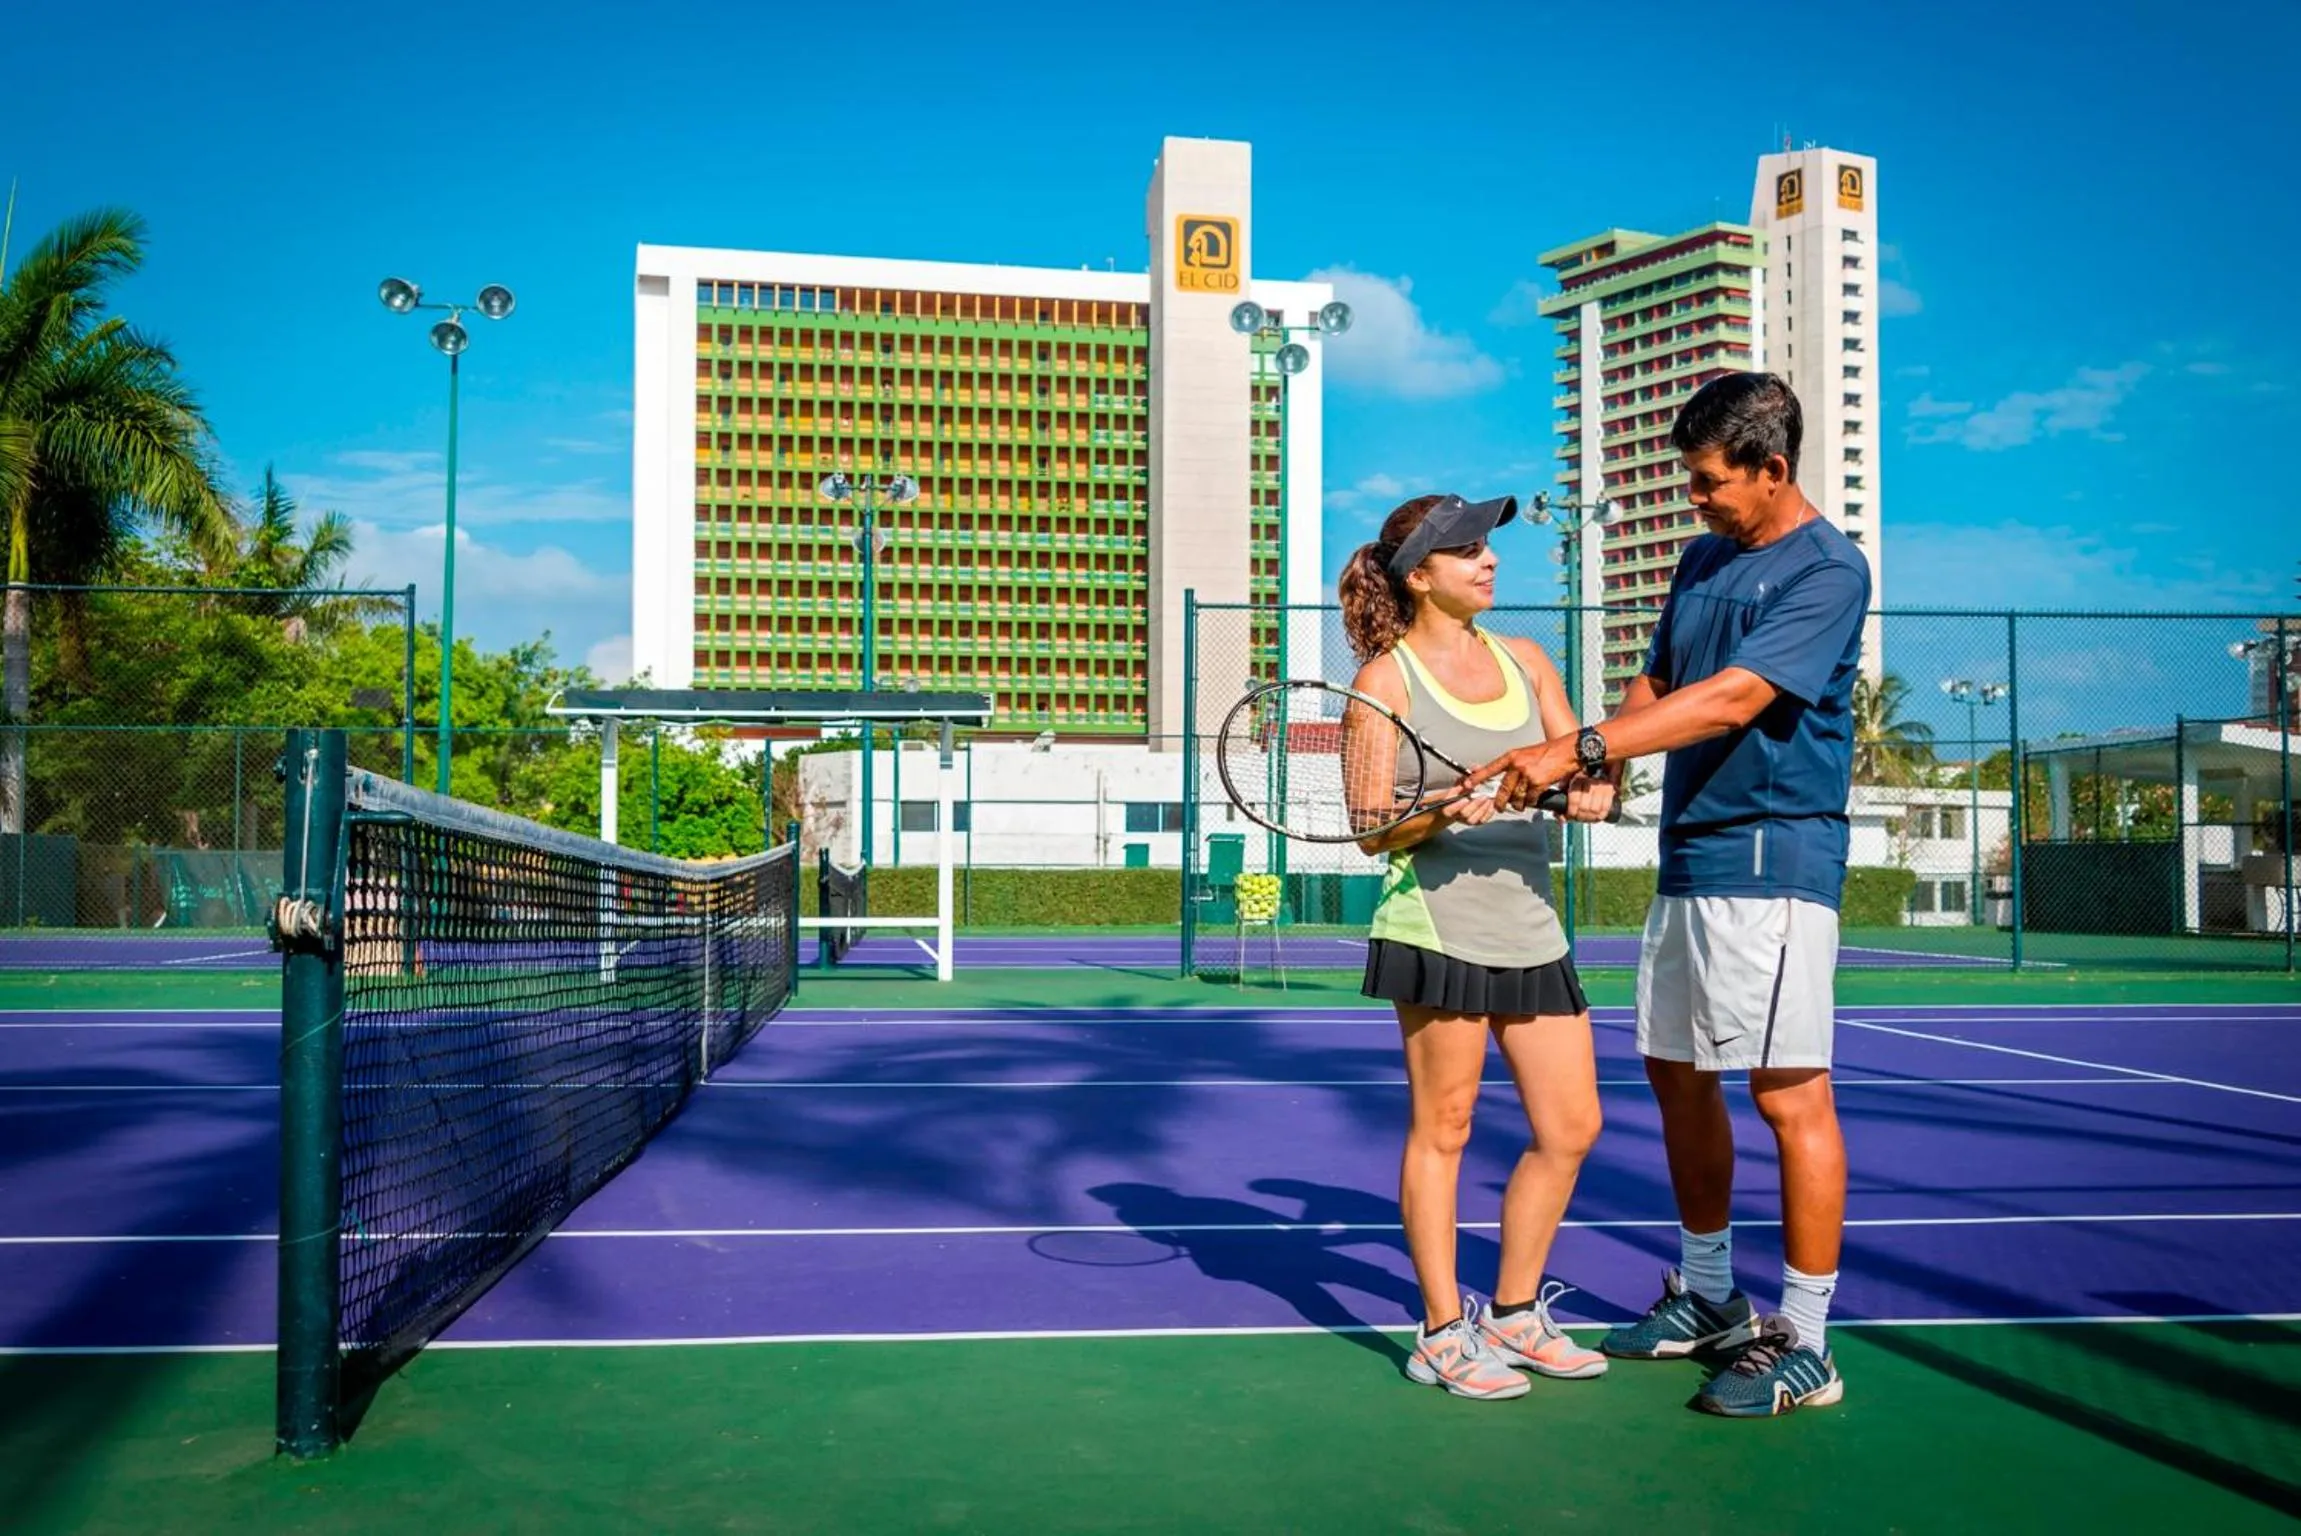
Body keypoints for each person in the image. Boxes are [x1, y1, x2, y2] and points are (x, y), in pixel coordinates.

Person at [1464, 373, 1868, 1417]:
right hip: (1690, 856)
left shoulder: (1829, 571)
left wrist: (1575, 744)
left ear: (1773, 470)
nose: (1697, 500)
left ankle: (1808, 1342)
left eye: (1710, 483)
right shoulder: (1703, 559)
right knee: (1677, 1072)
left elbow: (1735, 697)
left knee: (1787, 1094)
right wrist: (1603, 765)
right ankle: (1708, 1295)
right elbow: (1664, 679)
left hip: (1775, 864)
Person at [1337, 491, 1616, 1401]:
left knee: (1571, 1127)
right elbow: (1370, 829)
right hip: (1436, 927)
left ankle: (1513, 1312)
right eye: (1466, 552)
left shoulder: (1526, 659)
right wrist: (1440, 813)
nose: (1489, 561)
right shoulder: (1383, 681)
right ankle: (1439, 1331)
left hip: (1531, 927)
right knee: (1445, 1129)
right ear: (1420, 576)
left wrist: (1577, 789)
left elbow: (1586, 775)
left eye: (1488, 547)